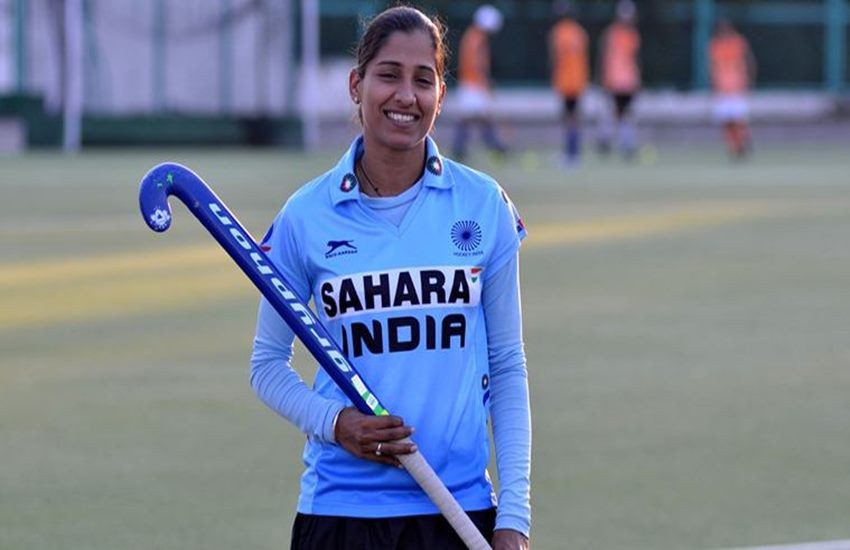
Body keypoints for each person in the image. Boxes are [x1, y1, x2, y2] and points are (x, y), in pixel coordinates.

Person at [250, 6, 531, 550]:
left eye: (423, 80)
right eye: (388, 75)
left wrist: (514, 517)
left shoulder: (484, 204)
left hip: (459, 510)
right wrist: (336, 424)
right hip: (341, 513)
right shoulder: (305, 216)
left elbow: (506, 365)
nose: (406, 96)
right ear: (357, 85)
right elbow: (267, 366)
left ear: (441, 95)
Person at [452, 4, 508, 161]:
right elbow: (477, 64)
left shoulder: (473, 36)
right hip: (473, 83)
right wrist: (485, 81)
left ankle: (494, 147)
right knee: (471, 117)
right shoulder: (476, 39)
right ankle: (463, 148)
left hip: (471, 82)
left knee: (481, 117)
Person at [596, 0, 641, 160]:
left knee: (625, 114)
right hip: (613, 80)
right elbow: (604, 57)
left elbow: (634, 59)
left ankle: (625, 144)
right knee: (613, 112)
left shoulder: (633, 35)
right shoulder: (611, 34)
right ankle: (606, 140)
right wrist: (603, 78)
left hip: (628, 81)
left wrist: (637, 79)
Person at [548, 0, 589, 168]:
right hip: (578, 80)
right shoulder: (579, 32)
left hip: (565, 81)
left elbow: (555, 59)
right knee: (575, 118)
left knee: (568, 118)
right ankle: (573, 152)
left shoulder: (558, 32)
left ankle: (571, 153)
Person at [709, 18, 756, 159]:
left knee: (738, 118)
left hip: (737, 86)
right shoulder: (715, 45)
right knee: (726, 120)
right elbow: (713, 66)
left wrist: (750, 80)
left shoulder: (738, 42)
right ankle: (733, 146)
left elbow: (749, 61)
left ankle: (742, 141)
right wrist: (713, 85)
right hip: (722, 88)